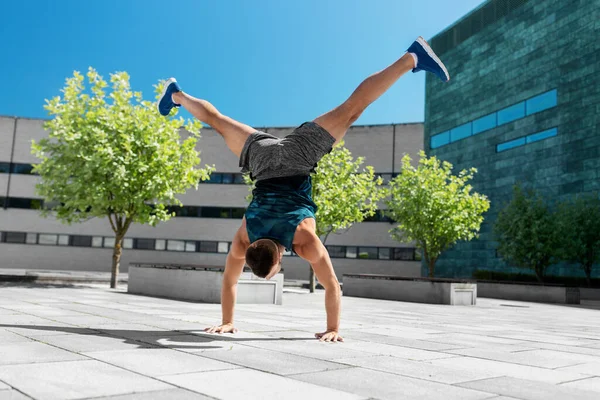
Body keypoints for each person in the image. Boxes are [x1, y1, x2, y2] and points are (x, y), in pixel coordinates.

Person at [157, 37, 449, 342]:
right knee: (217, 122)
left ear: (279, 260)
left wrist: (333, 329)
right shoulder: (244, 237)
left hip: (297, 158)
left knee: (352, 109)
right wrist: (226, 321)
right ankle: (176, 95)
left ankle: (412, 58)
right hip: (261, 156)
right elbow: (229, 281)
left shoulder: (305, 241)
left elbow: (332, 285)